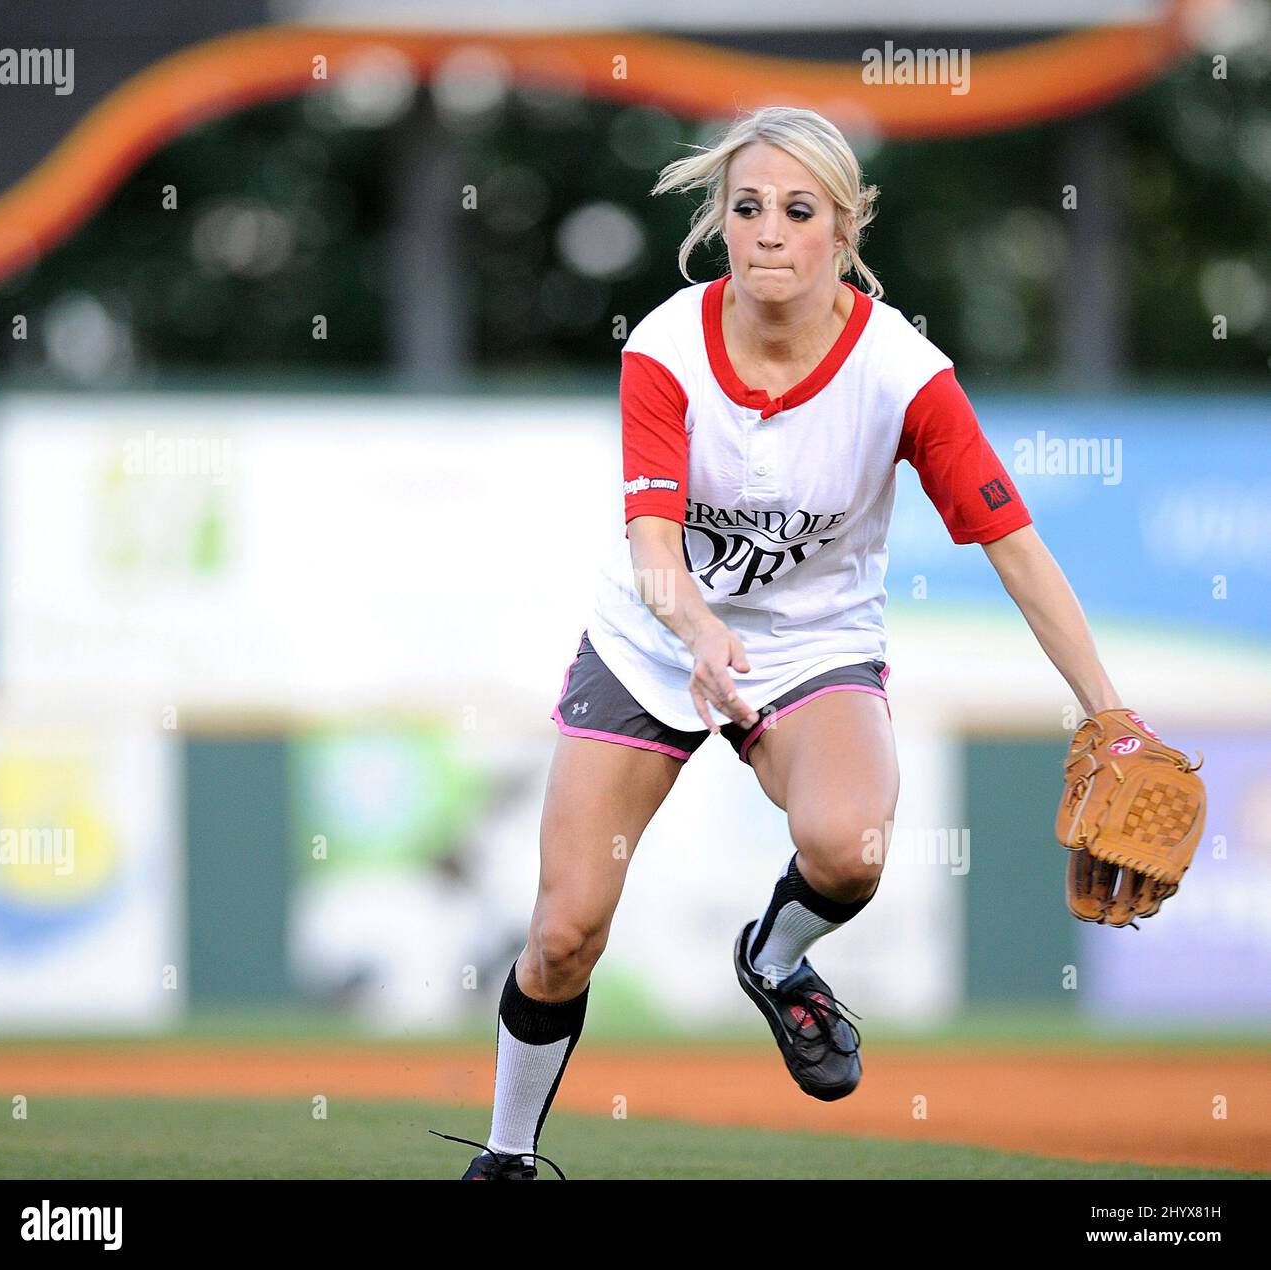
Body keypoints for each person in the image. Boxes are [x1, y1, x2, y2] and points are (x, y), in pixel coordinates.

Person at [451, 104, 1123, 1180]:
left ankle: (772, 955)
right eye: (747, 206)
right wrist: (700, 631)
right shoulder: (667, 344)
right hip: (651, 642)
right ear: (720, 221)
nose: (768, 231)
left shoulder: (902, 374)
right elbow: (651, 544)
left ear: (844, 231)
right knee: (565, 930)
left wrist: (1107, 706)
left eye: (798, 210)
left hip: (813, 647)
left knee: (851, 849)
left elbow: (1014, 546)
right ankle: (509, 1154)